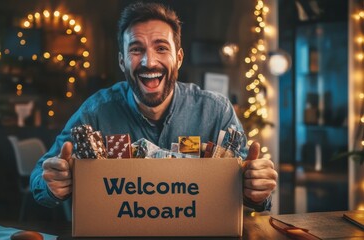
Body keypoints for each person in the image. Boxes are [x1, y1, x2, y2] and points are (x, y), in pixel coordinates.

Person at [30, 2, 277, 212]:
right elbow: (39, 178)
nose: (149, 61)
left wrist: (256, 190)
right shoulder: (95, 112)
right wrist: (52, 183)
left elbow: (254, 189)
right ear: (122, 61)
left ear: (178, 58)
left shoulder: (216, 111)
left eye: (161, 48)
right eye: (136, 50)